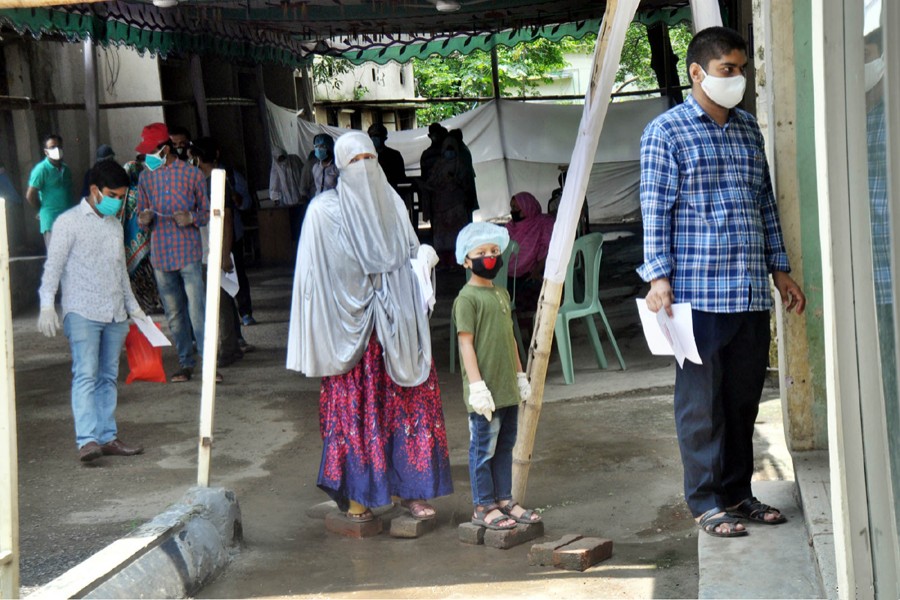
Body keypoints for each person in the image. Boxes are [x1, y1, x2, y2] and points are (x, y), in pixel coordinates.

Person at [637, 27, 806, 538]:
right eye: (727, 69)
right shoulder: (666, 133)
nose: (737, 78)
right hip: (695, 296)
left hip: (750, 290)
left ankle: (738, 492)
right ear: (697, 72)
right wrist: (659, 277)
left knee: (742, 400)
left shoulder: (749, 129)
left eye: (742, 69)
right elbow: (655, 211)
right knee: (701, 404)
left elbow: (764, 204)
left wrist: (780, 269)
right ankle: (707, 502)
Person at [286, 131, 452, 523]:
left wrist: (422, 259)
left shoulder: (391, 202)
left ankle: (411, 492)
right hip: (351, 337)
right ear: (341, 167)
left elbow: (410, 251)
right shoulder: (323, 212)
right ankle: (359, 496)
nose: (364, 168)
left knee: (407, 409)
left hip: (396, 329)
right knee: (358, 411)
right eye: (355, 160)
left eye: (369, 159)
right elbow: (315, 281)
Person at [37, 160, 145, 462]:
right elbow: (53, 267)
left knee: (108, 376)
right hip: (82, 311)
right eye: (113, 195)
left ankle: (108, 436)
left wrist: (134, 307)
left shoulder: (114, 225)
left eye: (122, 196)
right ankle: (87, 440)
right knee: (86, 374)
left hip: (114, 313)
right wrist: (47, 303)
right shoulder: (68, 222)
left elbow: (120, 270)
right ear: (95, 190)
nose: (118, 202)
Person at [452, 222, 541, 530]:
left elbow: (510, 339)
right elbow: (466, 344)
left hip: (506, 389)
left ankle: (504, 499)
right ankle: (483, 505)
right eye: (481, 252)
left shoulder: (502, 293)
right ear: (466, 260)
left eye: (493, 251)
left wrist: (520, 375)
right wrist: (476, 387)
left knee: (505, 445)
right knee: (483, 449)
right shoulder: (466, 299)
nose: (489, 257)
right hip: (485, 393)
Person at [135, 122, 213, 383]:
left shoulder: (193, 175)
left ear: (165, 149)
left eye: (151, 151)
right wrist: (143, 218)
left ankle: (208, 364)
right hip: (161, 256)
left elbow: (206, 213)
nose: (147, 157)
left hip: (188, 253)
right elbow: (140, 214)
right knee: (175, 315)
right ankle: (185, 364)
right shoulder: (145, 177)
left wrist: (191, 217)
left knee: (198, 312)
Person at [191, 136, 243, 368]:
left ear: (197, 157)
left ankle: (228, 348)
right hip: (207, 247)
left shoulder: (215, 182)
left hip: (213, 248)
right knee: (223, 299)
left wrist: (223, 253)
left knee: (219, 302)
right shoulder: (207, 180)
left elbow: (228, 219)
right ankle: (231, 344)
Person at [421, 135, 475, 265]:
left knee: (456, 236)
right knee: (442, 237)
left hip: (456, 205)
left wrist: (455, 180)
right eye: (447, 149)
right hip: (440, 206)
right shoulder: (438, 165)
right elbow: (431, 182)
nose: (449, 152)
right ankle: (443, 262)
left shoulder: (461, 166)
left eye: (451, 149)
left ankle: (457, 261)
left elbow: (467, 184)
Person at [504, 191, 555, 315]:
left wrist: (537, 270)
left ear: (527, 208)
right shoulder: (510, 227)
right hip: (509, 274)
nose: (512, 211)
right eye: (512, 208)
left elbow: (549, 250)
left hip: (533, 273)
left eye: (516, 208)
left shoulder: (543, 223)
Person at [121, 157, 161, 314]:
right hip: (146, 240)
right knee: (150, 274)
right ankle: (155, 302)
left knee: (137, 277)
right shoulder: (144, 192)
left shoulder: (123, 195)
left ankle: (144, 305)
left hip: (129, 242)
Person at [26, 133, 73, 248]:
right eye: (52, 147)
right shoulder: (41, 170)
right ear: (46, 151)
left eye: (59, 146)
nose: (56, 150)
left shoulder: (66, 169)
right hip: (51, 221)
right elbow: (30, 195)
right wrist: (41, 209)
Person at [269, 146, 306, 249]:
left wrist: (304, 193)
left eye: (283, 157)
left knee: (302, 226)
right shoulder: (276, 168)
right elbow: (274, 186)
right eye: (279, 159)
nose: (282, 160)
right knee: (292, 228)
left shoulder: (294, 160)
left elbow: (303, 176)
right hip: (286, 204)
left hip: (300, 200)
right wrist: (276, 199)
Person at [367, 123, 406, 192]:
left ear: (384, 138)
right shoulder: (365, 157)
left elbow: (400, 178)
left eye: (376, 135)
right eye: (371, 135)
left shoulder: (394, 155)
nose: (373, 138)